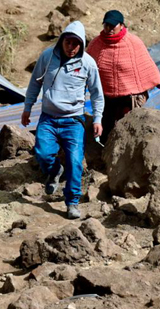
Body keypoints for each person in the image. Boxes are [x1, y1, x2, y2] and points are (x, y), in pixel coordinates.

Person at [21, 21, 104, 219]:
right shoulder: (47, 57)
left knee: (75, 161)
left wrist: (97, 119)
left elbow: (96, 94)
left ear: (82, 45)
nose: (71, 47)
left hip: (73, 120)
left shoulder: (88, 64)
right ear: (62, 41)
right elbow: (34, 83)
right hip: (48, 118)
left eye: (76, 44)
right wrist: (27, 108)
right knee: (42, 152)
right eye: (68, 42)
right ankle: (55, 169)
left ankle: (72, 202)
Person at [87, 10, 160, 143]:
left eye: (113, 26)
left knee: (129, 129)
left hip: (129, 97)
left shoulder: (133, 43)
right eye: (106, 25)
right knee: (107, 129)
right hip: (106, 97)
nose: (109, 29)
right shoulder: (96, 44)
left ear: (121, 25)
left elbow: (146, 65)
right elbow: (86, 67)